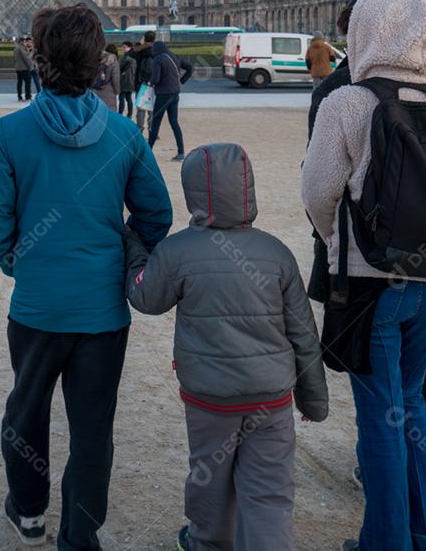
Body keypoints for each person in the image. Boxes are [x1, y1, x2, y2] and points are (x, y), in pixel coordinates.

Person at [0, 3, 173, 550]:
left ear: (38, 59)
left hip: (37, 308)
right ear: (98, 63)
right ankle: (79, 536)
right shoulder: (124, 135)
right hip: (103, 312)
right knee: (92, 430)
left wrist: (22, 262)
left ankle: (30, 511)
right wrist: (123, 254)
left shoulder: (11, 132)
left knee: (26, 412)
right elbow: (157, 215)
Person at [302, 0, 426, 550]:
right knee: (411, 411)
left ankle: (385, 542)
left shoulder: (348, 103)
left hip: (373, 287)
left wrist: (342, 245)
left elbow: (318, 195)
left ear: (365, 33)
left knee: (381, 419)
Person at [124, 143, 328, 551]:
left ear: (192, 193)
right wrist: (313, 401)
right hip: (270, 398)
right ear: (248, 189)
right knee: (269, 491)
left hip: (210, 398)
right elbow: (303, 333)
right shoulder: (276, 252)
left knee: (209, 477)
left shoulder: (177, 251)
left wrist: (133, 249)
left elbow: (146, 298)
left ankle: (208, 542)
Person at [147, 40, 193, 161]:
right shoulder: (173, 56)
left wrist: (149, 82)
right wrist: (182, 80)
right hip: (175, 94)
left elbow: (156, 79)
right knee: (174, 123)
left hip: (163, 95)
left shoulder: (158, 59)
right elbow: (190, 68)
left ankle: (148, 151)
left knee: (155, 122)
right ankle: (181, 151)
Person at [131, 32, 156, 133]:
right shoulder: (157, 50)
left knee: (140, 108)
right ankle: (152, 128)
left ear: (144, 39)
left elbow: (130, 53)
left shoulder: (139, 51)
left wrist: (140, 44)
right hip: (153, 82)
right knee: (152, 109)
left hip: (140, 83)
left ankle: (139, 128)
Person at [93, 43, 121, 109]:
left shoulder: (98, 59)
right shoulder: (114, 62)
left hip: (96, 89)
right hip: (109, 91)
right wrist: (117, 91)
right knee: (110, 111)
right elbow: (115, 79)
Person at [117, 41, 136, 118]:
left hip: (124, 80)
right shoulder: (134, 57)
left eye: (124, 47)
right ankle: (130, 114)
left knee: (121, 98)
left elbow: (119, 68)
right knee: (129, 98)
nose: (123, 48)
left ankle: (120, 114)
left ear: (129, 47)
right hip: (131, 81)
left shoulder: (125, 57)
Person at [13, 35, 35, 101]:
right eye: (25, 41)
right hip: (24, 68)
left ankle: (19, 96)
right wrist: (30, 67)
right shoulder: (22, 48)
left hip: (18, 68)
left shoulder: (15, 48)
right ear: (22, 42)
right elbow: (27, 58)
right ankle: (28, 96)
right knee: (27, 83)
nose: (26, 42)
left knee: (19, 83)